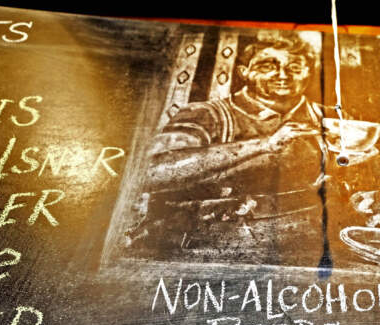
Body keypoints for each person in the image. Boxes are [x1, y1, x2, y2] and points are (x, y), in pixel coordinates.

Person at [128, 36, 329, 266]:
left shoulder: (329, 120)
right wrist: (264, 144)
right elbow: (152, 173)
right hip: (203, 253)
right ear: (244, 72)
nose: (283, 75)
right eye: (267, 66)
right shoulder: (206, 115)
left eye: (294, 67)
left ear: (309, 73)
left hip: (301, 255)